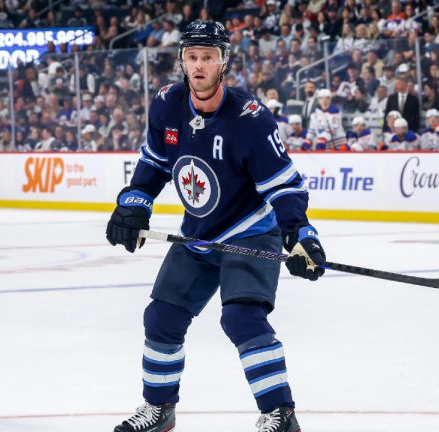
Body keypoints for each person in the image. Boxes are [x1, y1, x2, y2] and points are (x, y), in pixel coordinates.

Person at [106, 20, 324, 432]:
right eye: (192, 57)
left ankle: (280, 413)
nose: (199, 66)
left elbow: (284, 185)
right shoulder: (168, 103)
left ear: (224, 61)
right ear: (182, 61)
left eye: (208, 57)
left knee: (242, 319)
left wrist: (300, 233)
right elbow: (154, 163)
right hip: (197, 234)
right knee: (161, 319)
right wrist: (135, 201)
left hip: (250, 232)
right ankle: (160, 409)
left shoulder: (250, 118)